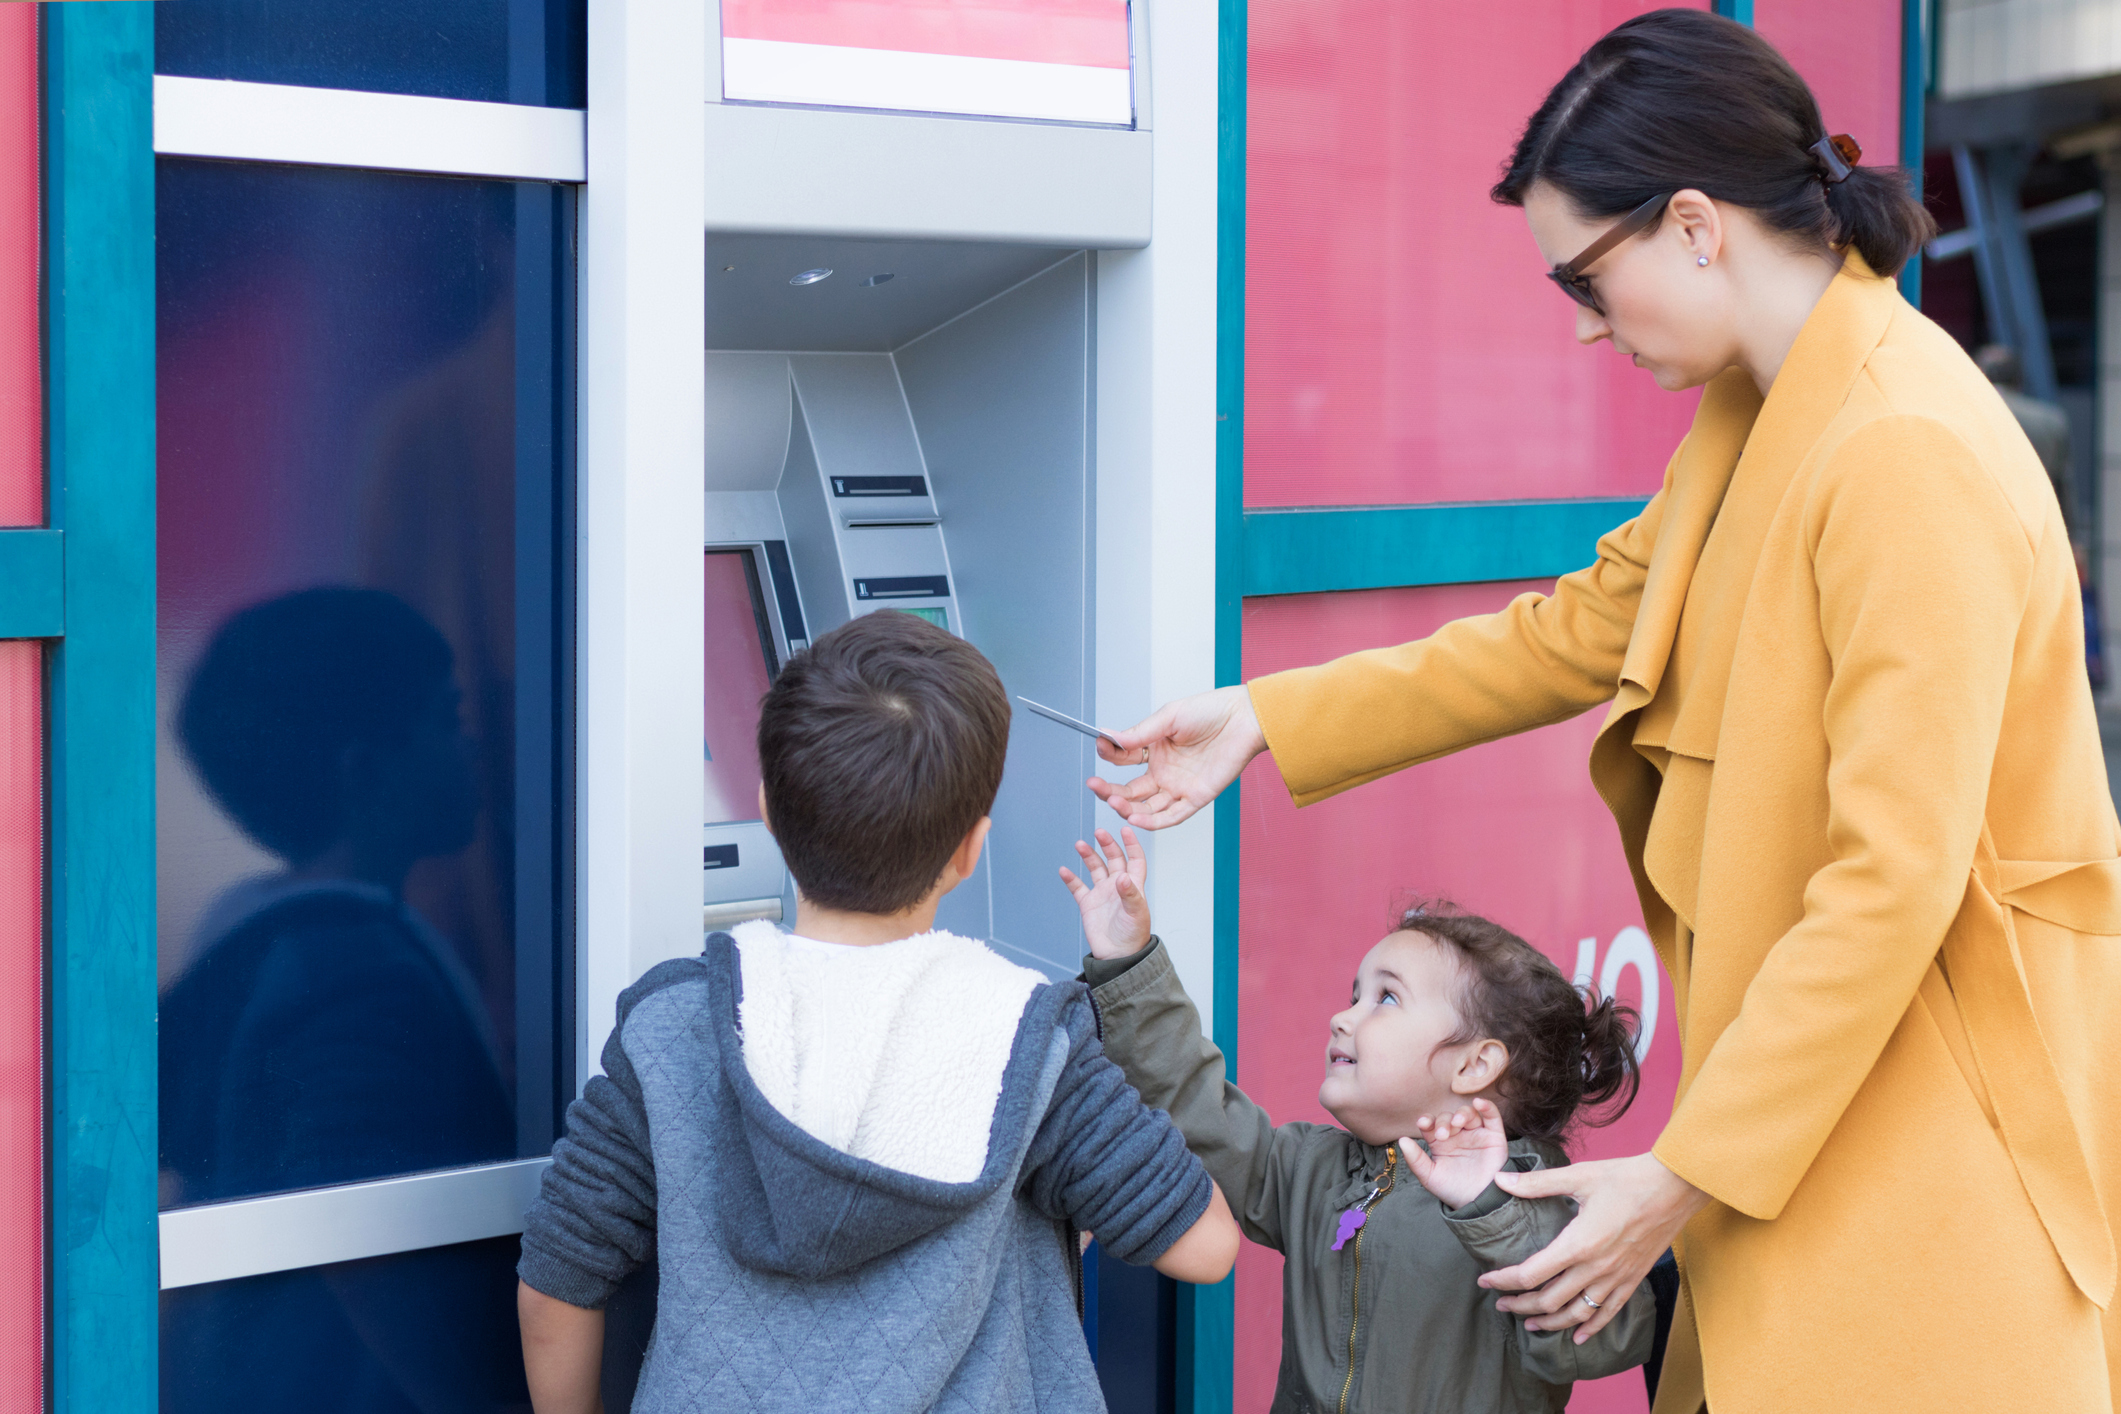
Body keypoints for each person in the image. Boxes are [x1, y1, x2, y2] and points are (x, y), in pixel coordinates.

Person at [1085, 11, 2121, 1413]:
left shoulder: (1898, 450)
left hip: (1922, 1154)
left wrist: (1677, 1175)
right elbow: (1578, 626)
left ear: (1695, 225)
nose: (1581, 321)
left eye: (1588, 272)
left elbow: (1893, 882)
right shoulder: (1772, 407)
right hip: (1820, 1123)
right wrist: (1269, 715)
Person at [515, 610, 1241, 1414]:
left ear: (766, 807)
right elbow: (1206, 1248)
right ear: (970, 850)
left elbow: (557, 1282)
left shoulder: (673, 1027)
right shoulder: (1027, 1045)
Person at [1061, 827, 1653, 1413]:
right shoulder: (1313, 1170)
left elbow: (1597, 1342)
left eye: (1386, 998)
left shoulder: (1529, 1199)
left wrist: (1492, 1215)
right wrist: (1129, 965)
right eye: (1354, 994)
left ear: (1475, 1065)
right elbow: (1199, 1108)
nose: (1342, 1017)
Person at [159, 586, 525, 1413]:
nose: (471, 747)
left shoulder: (262, 935)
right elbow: (364, 1248)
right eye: (446, 719)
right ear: (365, 771)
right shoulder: (351, 972)